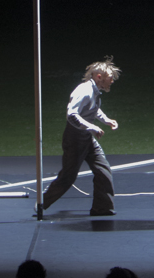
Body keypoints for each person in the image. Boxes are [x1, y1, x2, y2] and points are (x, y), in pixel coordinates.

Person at [42, 56, 121, 216]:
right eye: (110, 78)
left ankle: (102, 208)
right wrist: (92, 127)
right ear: (99, 76)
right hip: (75, 139)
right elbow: (71, 115)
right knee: (68, 177)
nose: (112, 81)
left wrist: (106, 120)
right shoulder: (84, 91)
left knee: (103, 169)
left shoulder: (94, 91)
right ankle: (41, 204)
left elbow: (93, 109)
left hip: (87, 138)